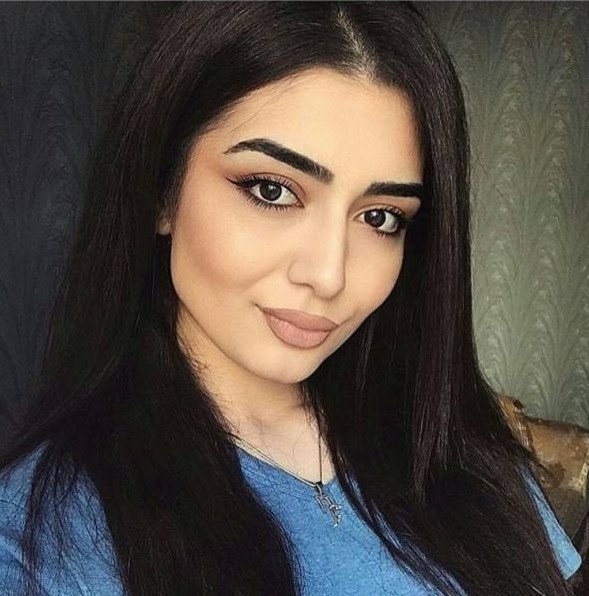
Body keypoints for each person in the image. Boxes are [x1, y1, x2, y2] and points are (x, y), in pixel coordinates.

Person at [0, 2, 582, 595]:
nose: (328, 276)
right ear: (162, 190)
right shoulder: (44, 538)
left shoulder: (452, 444)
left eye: (380, 217)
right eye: (273, 190)